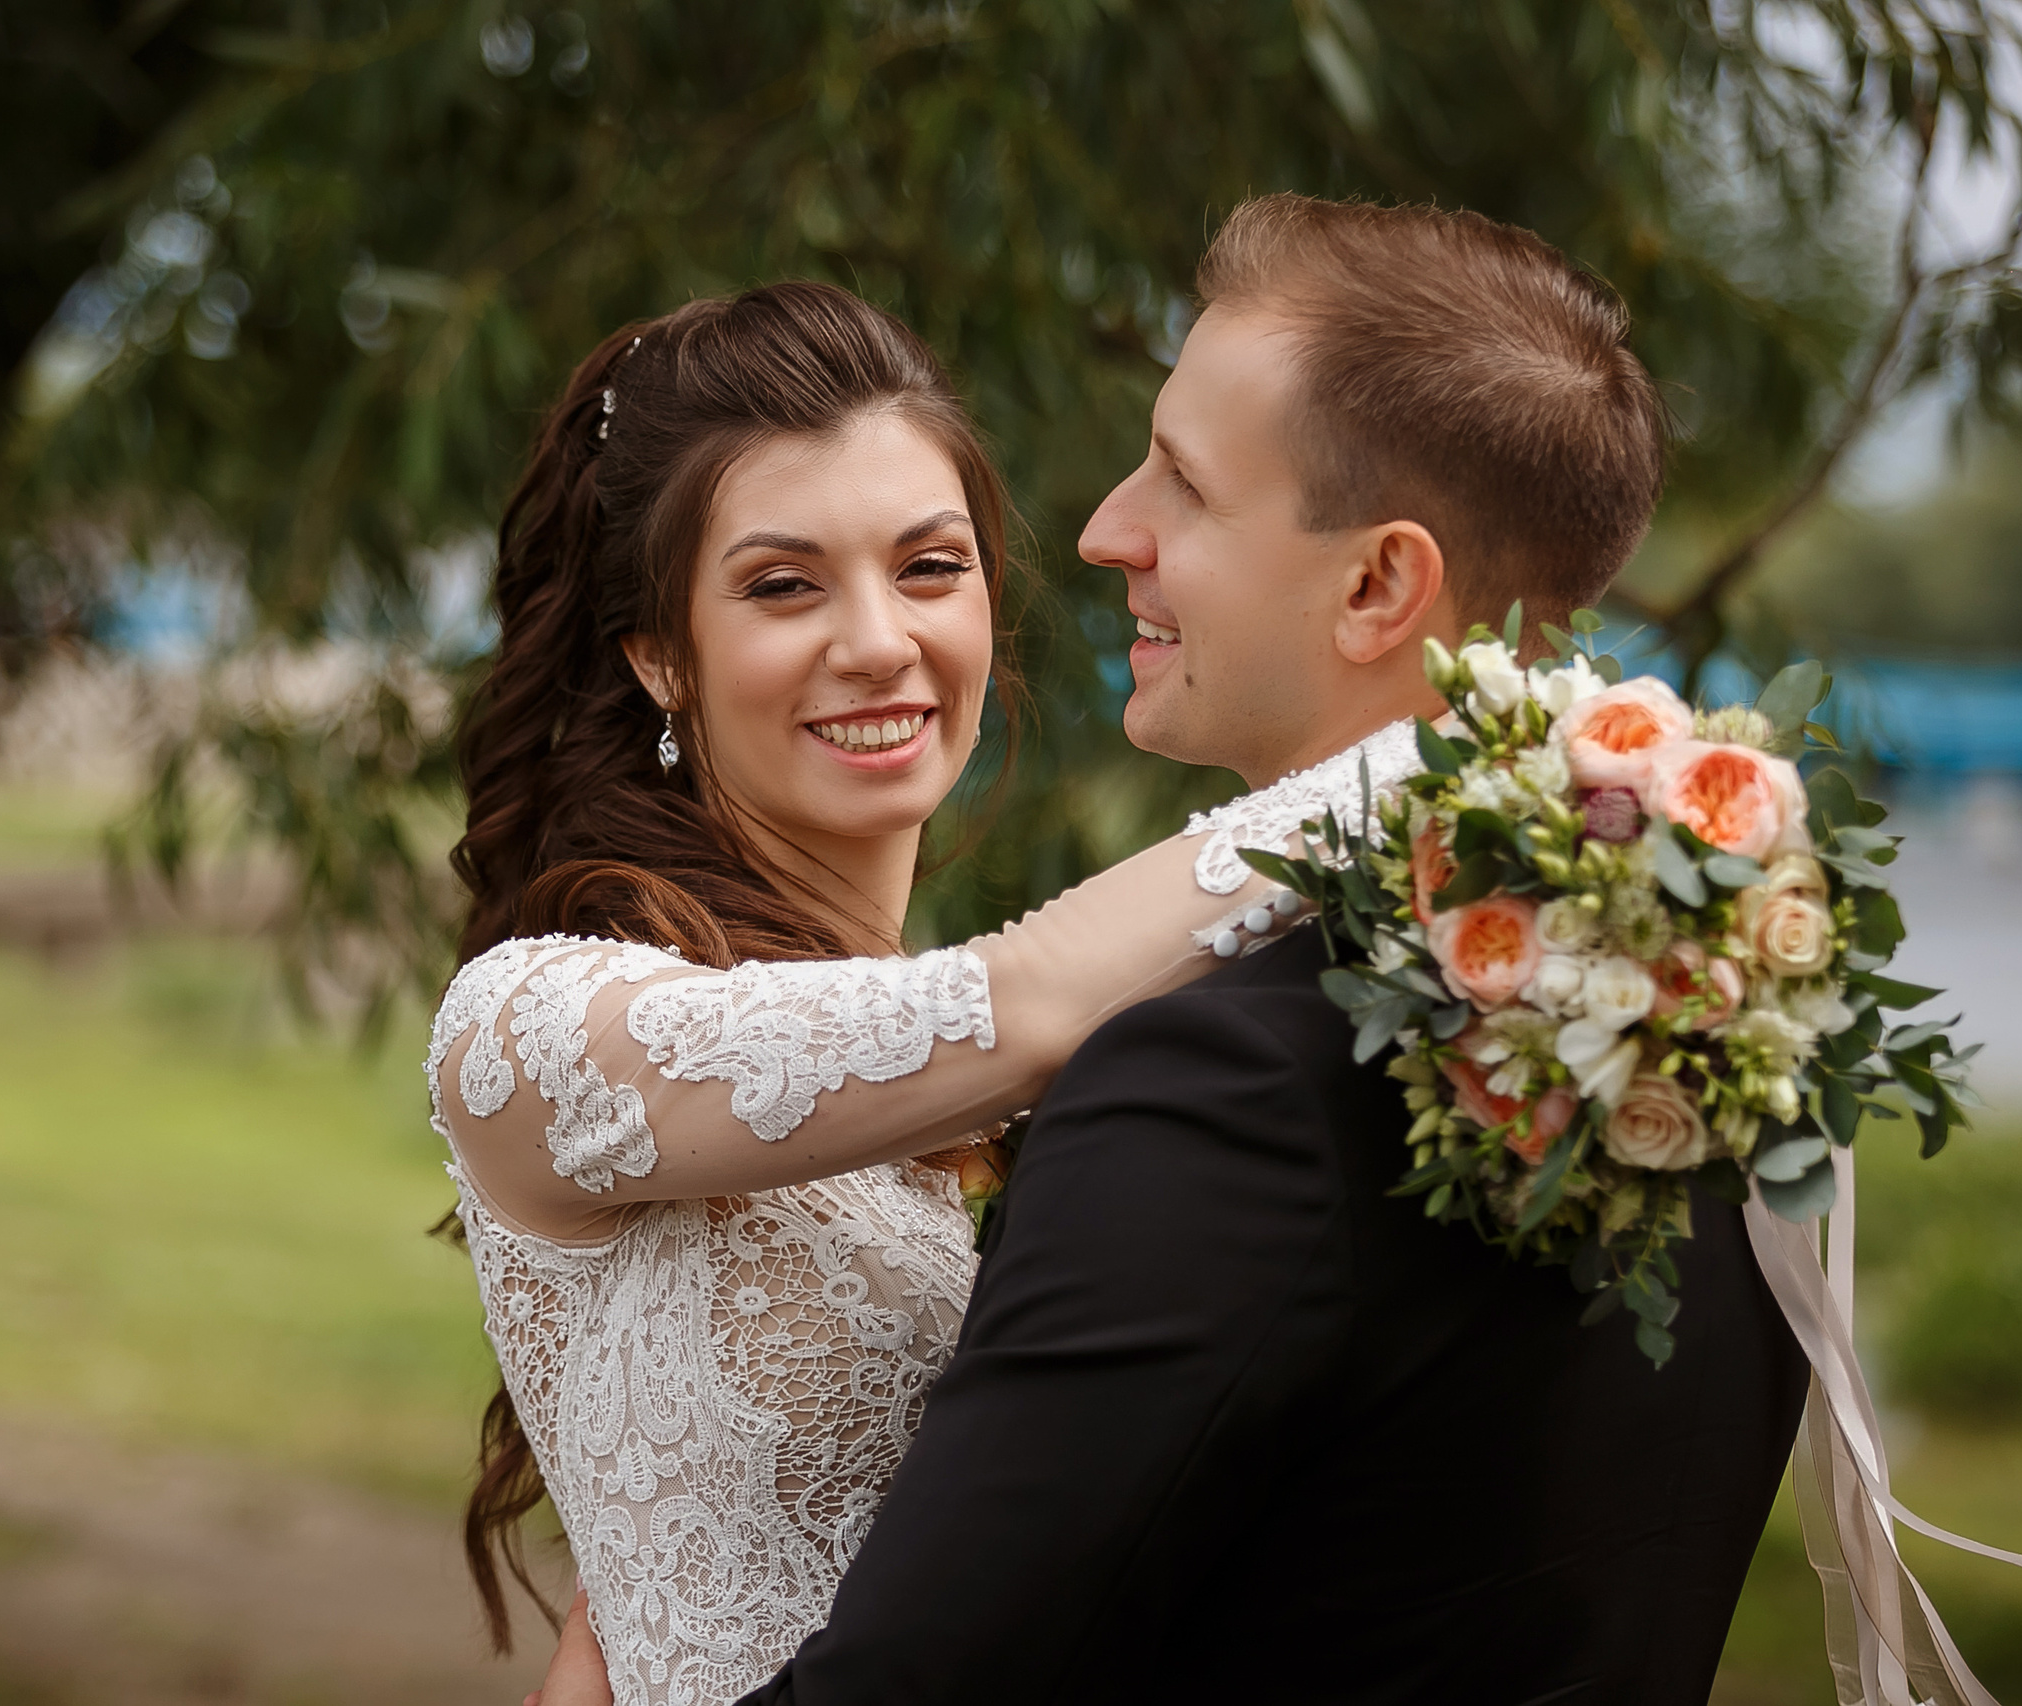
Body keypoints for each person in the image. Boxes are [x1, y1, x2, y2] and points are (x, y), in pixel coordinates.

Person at [526, 200, 1817, 1706]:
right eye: (783, 581)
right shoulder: (1704, 1013)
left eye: (1184, 485)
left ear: (1378, 587)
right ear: (656, 646)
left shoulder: (1227, 1085)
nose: (1101, 530)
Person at [432, 278, 1422, 1706]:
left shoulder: (959, 1087)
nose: (880, 641)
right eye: (783, 584)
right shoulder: (530, 1027)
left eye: (929, 567)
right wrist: (1456, 760)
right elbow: (1018, 1008)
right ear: (658, 653)